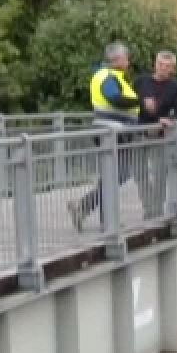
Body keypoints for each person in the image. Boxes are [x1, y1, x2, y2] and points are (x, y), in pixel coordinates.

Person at [70, 42, 141, 231]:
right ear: (117, 60)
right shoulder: (107, 76)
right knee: (118, 174)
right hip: (112, 131)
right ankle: (89, 210)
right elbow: (114, 98)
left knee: (113, 175)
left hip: (112, 131)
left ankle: (100, 217)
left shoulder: (112, 75)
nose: (128, 62)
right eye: (126, 58)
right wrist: (139, 100)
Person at [132, 50, 177, 219]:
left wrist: (169, 120)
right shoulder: (141, 82)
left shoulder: (176, 87)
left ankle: (156, 209)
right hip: (138, 131)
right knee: (139, 173)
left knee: (159, 174)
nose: (162, 68)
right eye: (160, 64)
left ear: (173, 69)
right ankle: (149, 207)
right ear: (154, 64)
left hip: (160, 134)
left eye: (167, 66)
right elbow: (129, 102)